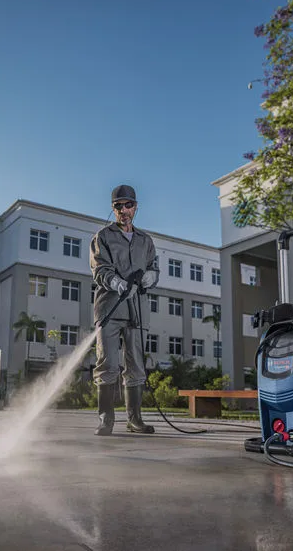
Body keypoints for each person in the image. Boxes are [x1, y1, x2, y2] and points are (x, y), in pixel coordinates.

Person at [89, 184, 159, 436]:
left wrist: (152, 276)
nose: (124, 210)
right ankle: (106, 419)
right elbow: (100, 269)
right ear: (113, 209)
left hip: (137, 311)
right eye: (119, 206)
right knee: (107, 363)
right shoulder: (103, 237)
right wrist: (117, 283)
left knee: (136, 365)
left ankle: (135, 420)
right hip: (109, 308)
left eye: (128, 205)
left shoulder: (145, 241)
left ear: (136, 207)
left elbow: (154, 266)